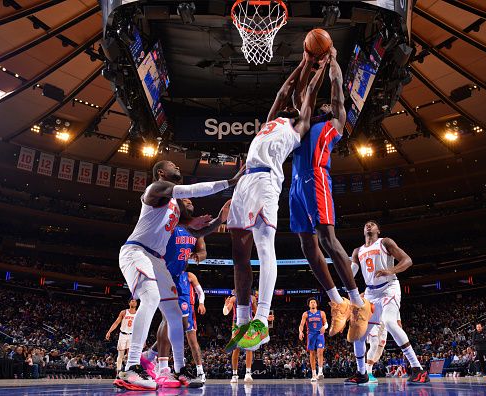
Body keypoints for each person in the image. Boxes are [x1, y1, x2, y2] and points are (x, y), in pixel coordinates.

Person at [225, 52, 329, 352]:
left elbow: (307, 94)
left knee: (264, 246)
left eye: (293, 105)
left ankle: (261, 321)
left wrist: (316, 67)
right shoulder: (272, 121)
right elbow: (285, 90)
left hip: (267, 182)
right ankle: (243, 320)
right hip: (245, 180)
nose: (288, 102)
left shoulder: (298, 128)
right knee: (238, 252)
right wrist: (301, 63)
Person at [115, 160, 241, 391]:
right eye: (172, 164)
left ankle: (180, 369)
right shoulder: (155, 189)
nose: (178, 166)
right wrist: (230, 182)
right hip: (136, 251)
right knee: (151, 297)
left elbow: (197, 230)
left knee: (174, 312)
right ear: (161, 172)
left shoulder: (173, 206)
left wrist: (219, 221)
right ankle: (131, 367)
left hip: (156, 259)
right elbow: (192, 190)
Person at [290, 46, 370, 342]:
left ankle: (359, 304)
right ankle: (338, 300)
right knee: (306, 245)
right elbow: (302, 93)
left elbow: (337, 87)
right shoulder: (304, 120)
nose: (322, 105)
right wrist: (308, 62)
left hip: (317, 178)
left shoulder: (334, 122)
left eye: (326, 105)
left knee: (327, 239)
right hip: (296, 184)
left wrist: (333, 60)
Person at [142, 198, 229, 386]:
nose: (190, 202)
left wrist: (199, 255)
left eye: (191, 201)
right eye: (185, 200)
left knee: (180, 323)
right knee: (169, 319)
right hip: (164, 273)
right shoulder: (169, 222)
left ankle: (151, 355)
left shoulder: (196, 228)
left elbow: (203, 250)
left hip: (180, 276)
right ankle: (163, 368)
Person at [345, 220, 429, 385]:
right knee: (358, 334)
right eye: (366, 224)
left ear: (378, 229)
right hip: (370, 293)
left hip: (389, 287)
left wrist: (391, 270)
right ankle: (361, 373)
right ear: (363, 230)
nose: (369, 225)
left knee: (390, 322)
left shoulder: (385, 242)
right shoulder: (357, 251)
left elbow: (407, 260)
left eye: (373, 224)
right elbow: (350, 274)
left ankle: (418, 368)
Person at [224, 290, 257, 383]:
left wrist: (265, 318)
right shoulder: (234, 299)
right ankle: (234, 375)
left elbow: (257, 313)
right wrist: (225, 306)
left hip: (249, 324)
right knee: (236, 349)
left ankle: (248, 373)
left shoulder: (252, 298)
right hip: (236, 325)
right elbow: (226, 312)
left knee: (249, 348)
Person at [298, 297, 327, 382]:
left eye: (314, 302)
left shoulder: (321, 313)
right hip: (311, 335)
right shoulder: (306, 314)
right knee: (312, 354)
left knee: (320, 352)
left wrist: (324, 327)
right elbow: (301, 325)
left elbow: (326, 323)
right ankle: (314, 374)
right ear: (309, 305)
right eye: (311, 302)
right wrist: (300, 332)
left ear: (317, 304)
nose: (313, 303)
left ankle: (320, 372)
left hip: (320, 335)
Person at [105, 299, 138, 374]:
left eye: (135, 301)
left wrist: (143, 338)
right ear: (129, 303)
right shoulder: (124, 312)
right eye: (132, 301)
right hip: (123, 335)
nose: (134, 302)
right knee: (121, 355)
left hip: (132, 335)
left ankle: (129, 372)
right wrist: (109, 332)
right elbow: (116, 322)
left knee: (130, 355)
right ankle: (118, 372)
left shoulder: (138, 313)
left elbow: (140, 326)